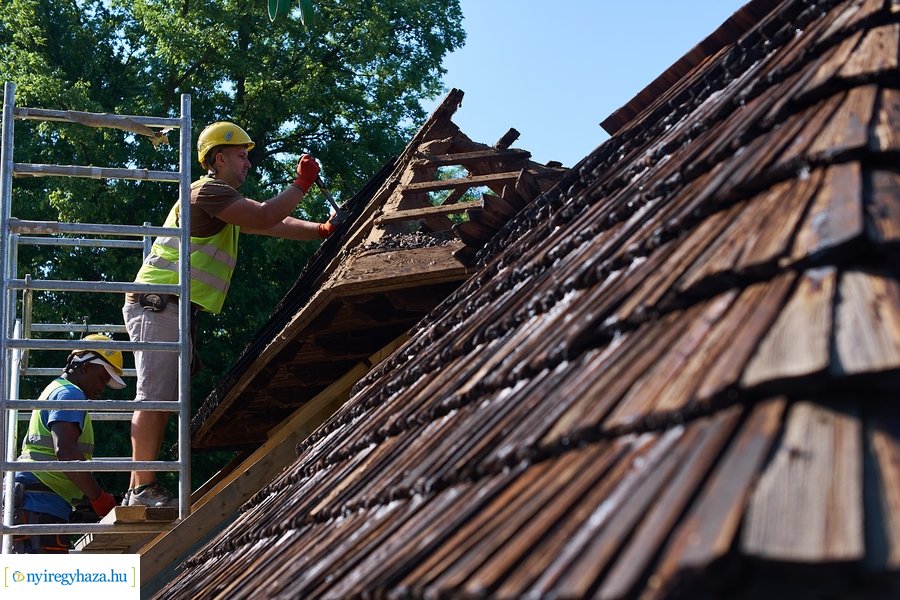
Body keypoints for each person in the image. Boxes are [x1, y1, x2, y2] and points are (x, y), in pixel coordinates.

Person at [122, 121, 336, 507]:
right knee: (154, 397)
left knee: (163, 397)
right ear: (218, 159)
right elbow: (267, 215)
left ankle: (142, 487)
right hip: (159, 302)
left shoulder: (221, 200)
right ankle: (140, 489)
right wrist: (301, 184)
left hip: (170, 304)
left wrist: (320, 229)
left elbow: (277, 223)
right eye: (241, 155)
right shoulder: (207, 191)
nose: (248, 163)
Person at [13, 334, 124, 553]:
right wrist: (98, 497)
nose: (103, 387)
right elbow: (65, 451)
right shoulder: (70, 393)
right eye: (102, 378)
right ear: (85, 367)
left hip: (38, 501)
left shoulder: (59, 390)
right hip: (39, 504)